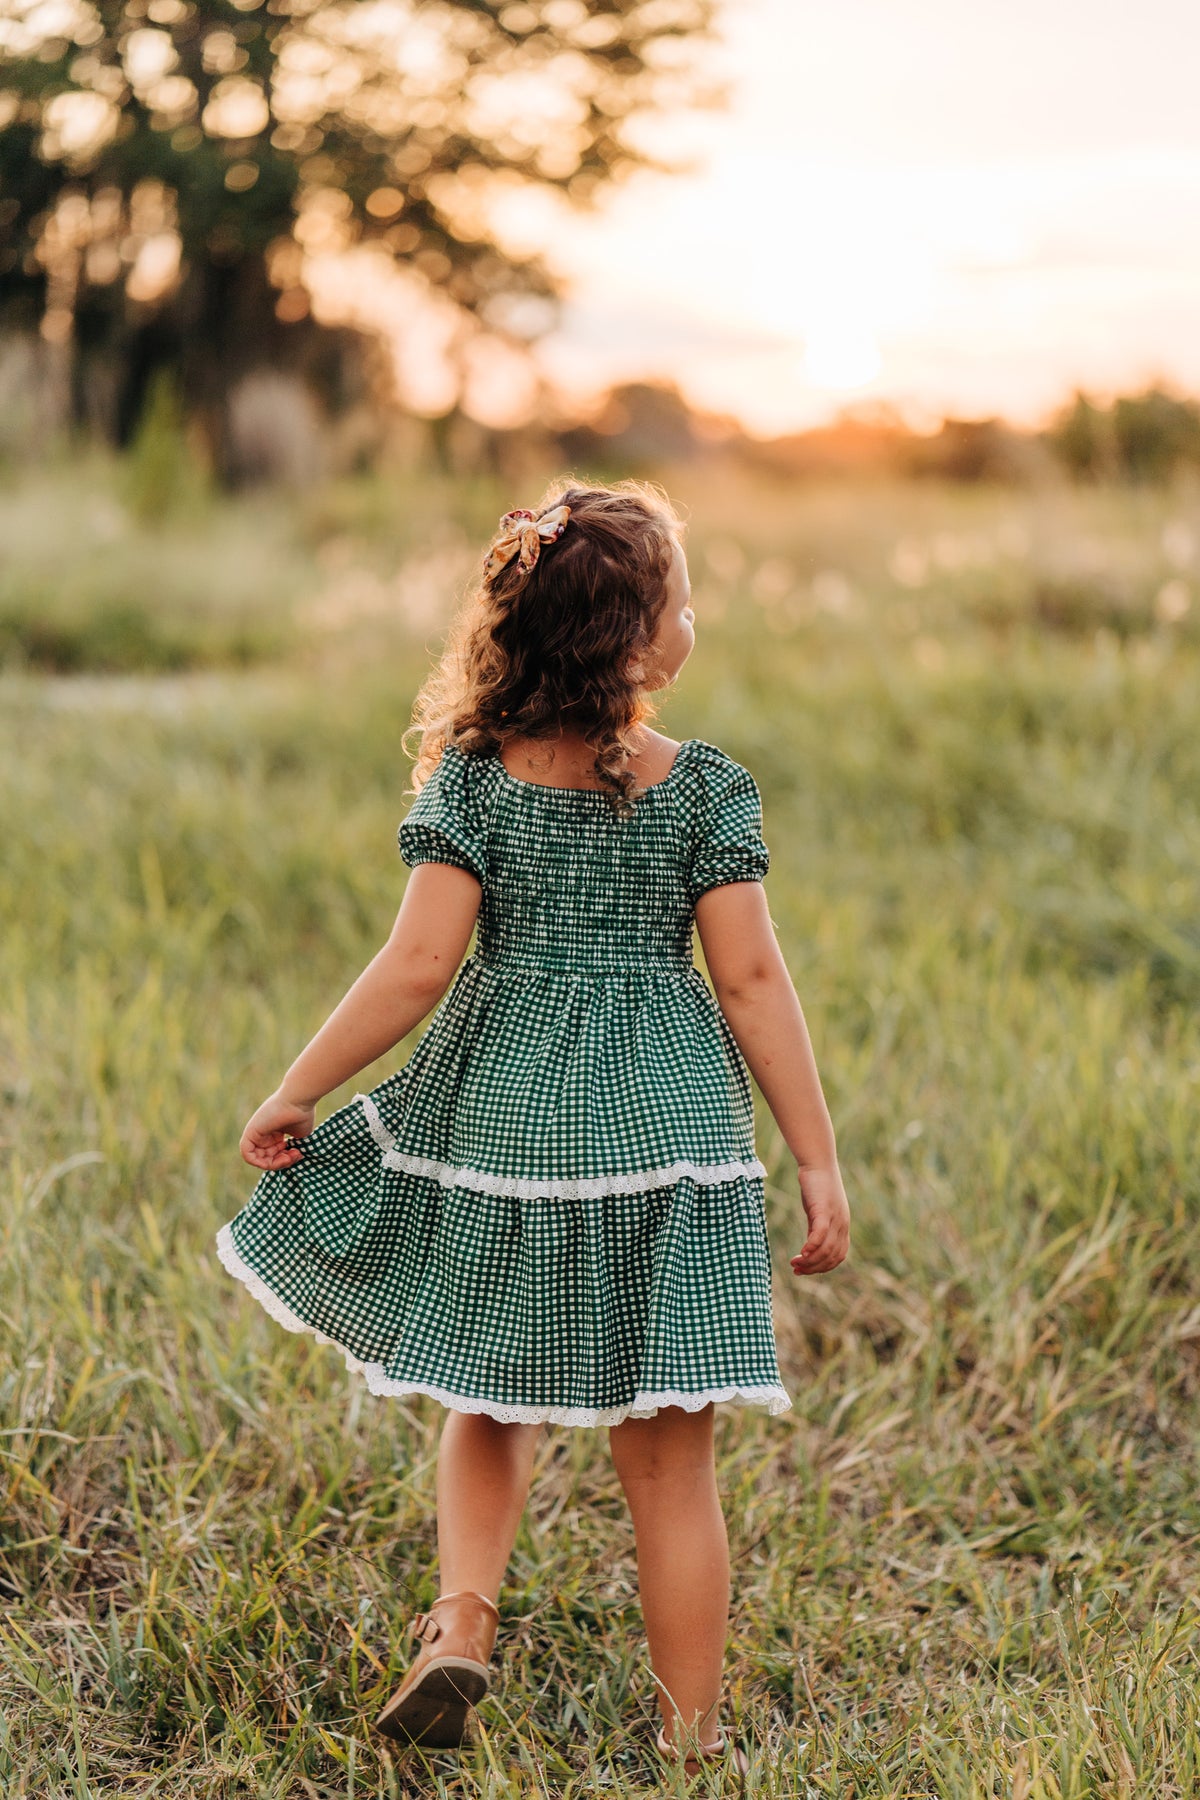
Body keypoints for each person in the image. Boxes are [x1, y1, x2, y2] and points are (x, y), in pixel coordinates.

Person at [215, 481, 850, 1780]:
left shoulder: (474, 780)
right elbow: (750, 984)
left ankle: (462, 1623)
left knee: (487, 1398)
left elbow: (412, 970)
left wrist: (296, 1088)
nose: (694, 615)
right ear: (639, 642)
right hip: (671, 1139)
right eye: (683, 596)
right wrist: (817, 1154)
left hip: (510, 1131)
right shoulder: (707, 792)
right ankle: (694, 1743)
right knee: (671, 1468)